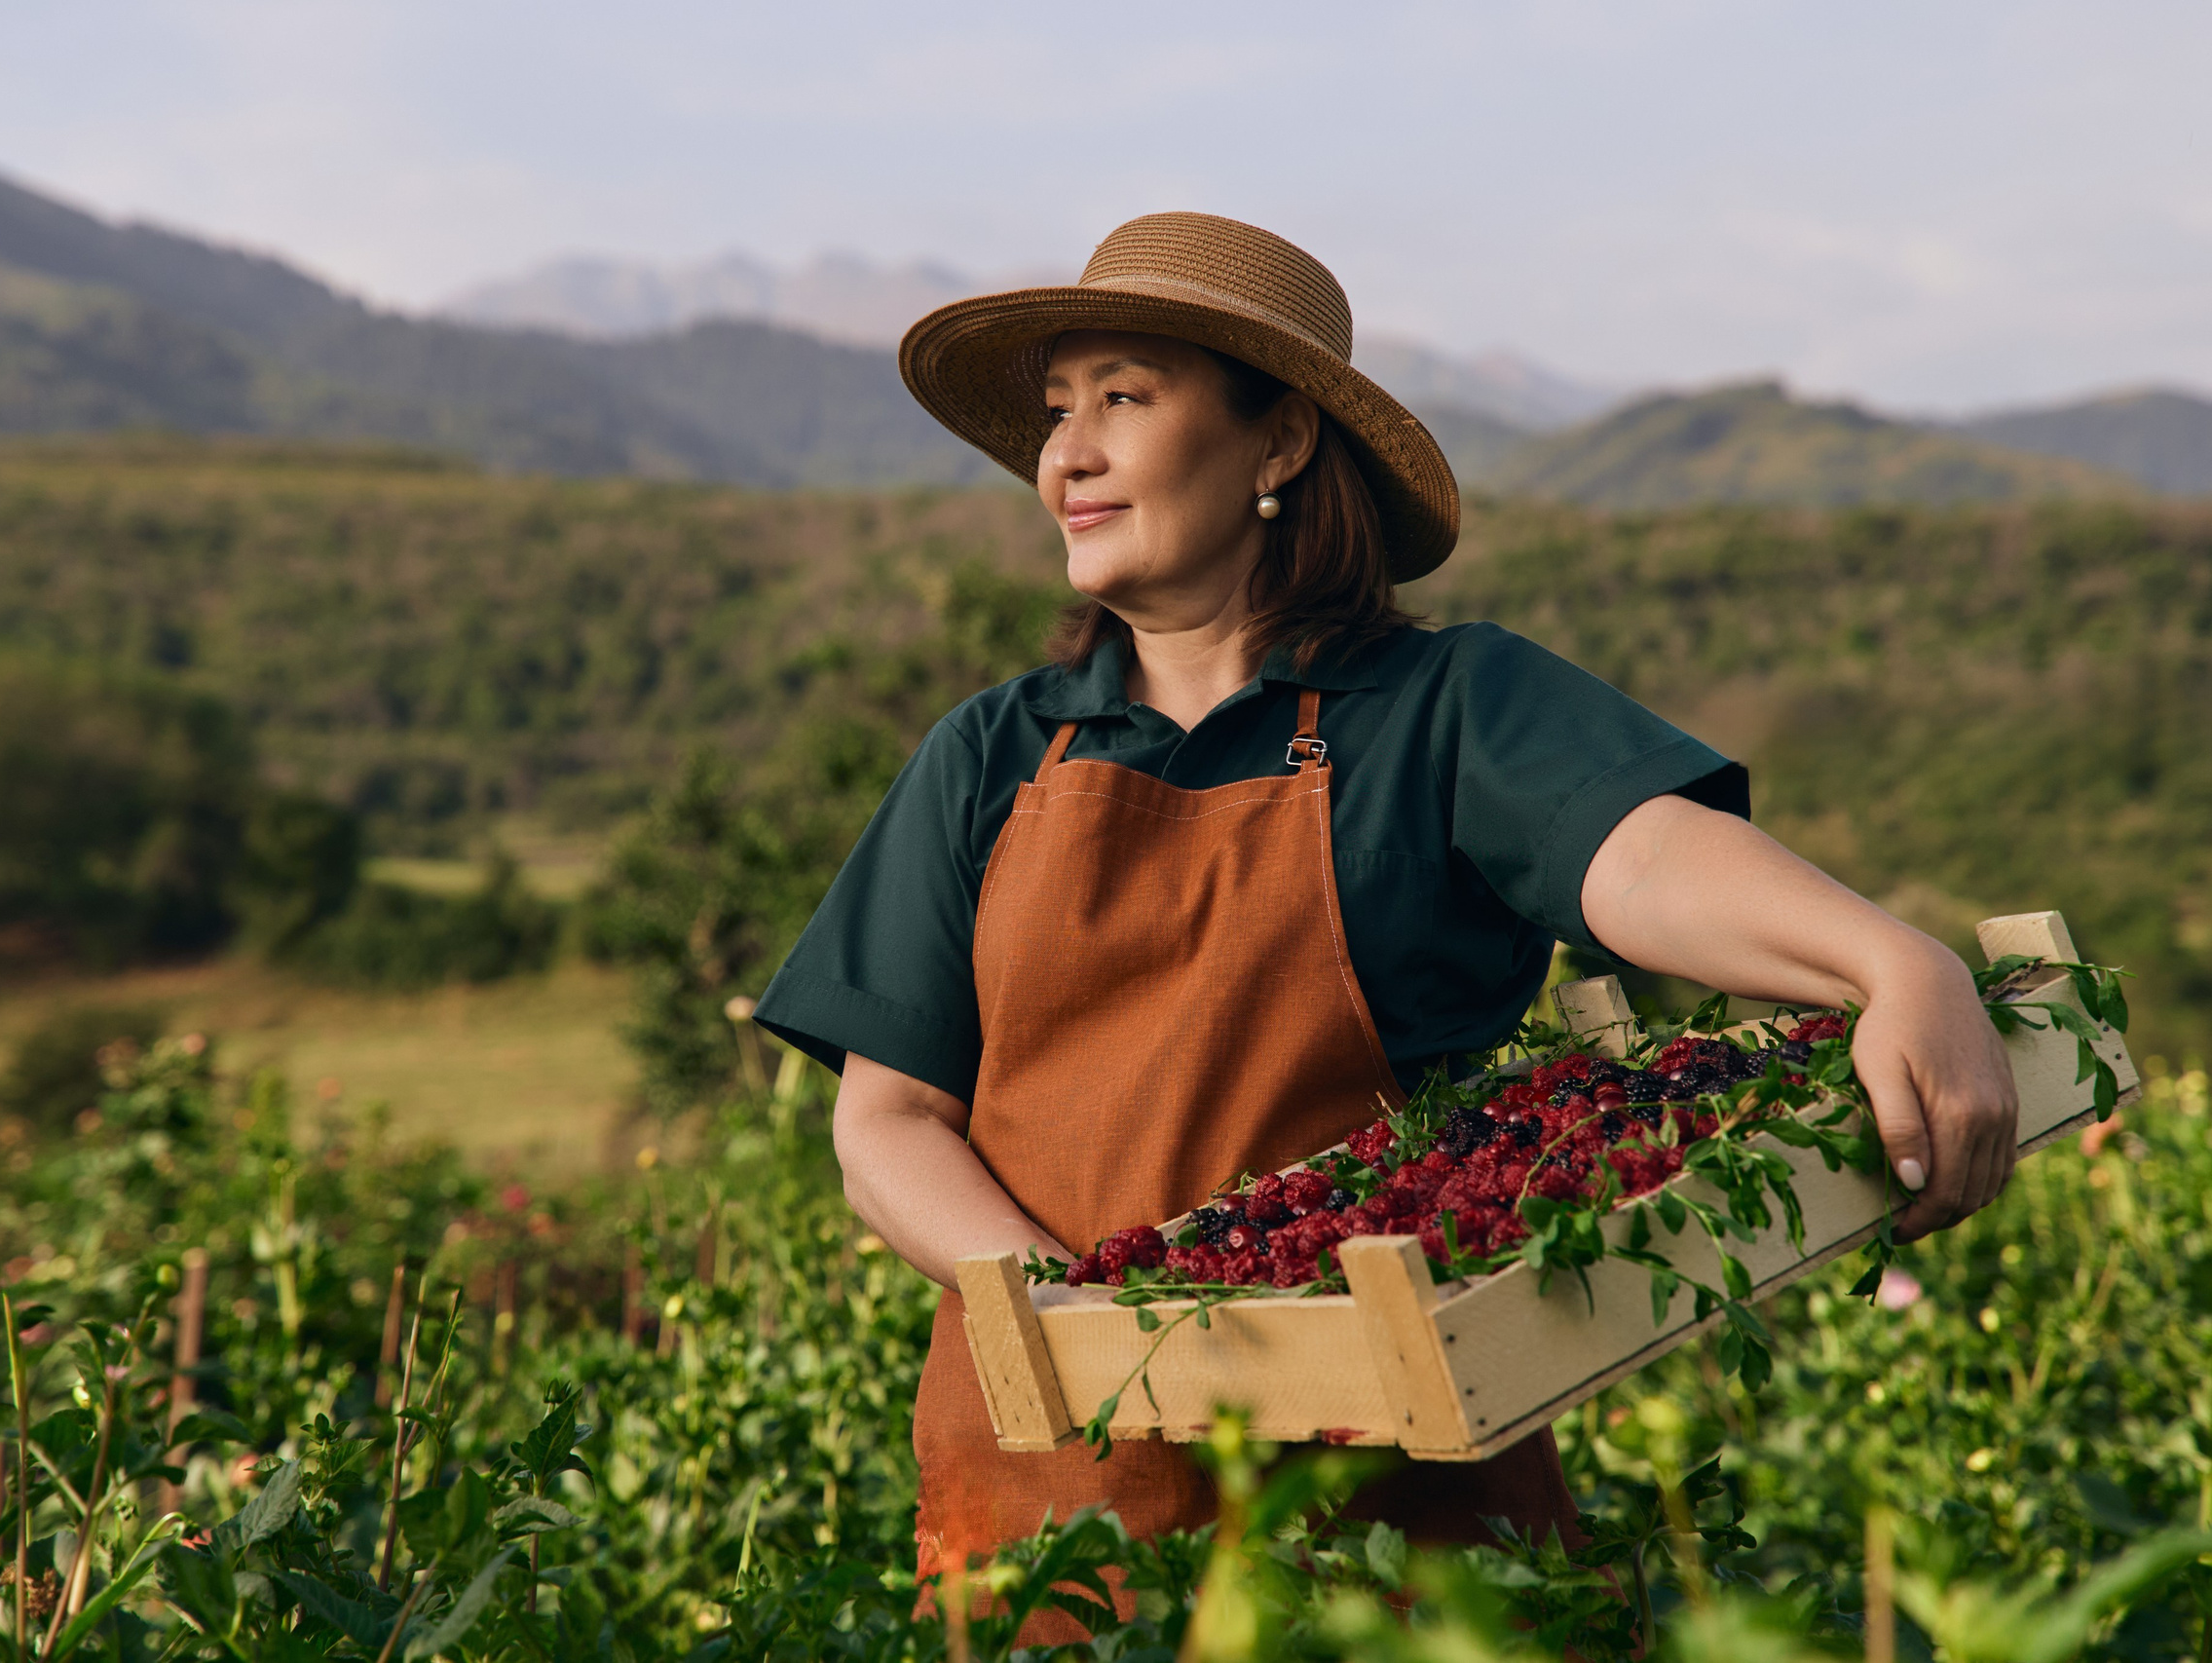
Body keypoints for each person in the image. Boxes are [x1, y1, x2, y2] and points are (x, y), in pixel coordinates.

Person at [752, 211, 2016, 1597]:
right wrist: (1092, 1317)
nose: (1068, 454)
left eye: (1125, 397)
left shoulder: (1442, 711)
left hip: (1392, 1524)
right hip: (1054, 1516)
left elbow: (1643, 861)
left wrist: (1892, 965)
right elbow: (886, 1120)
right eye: (1060, 410)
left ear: (1280, 443)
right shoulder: (990, 756)